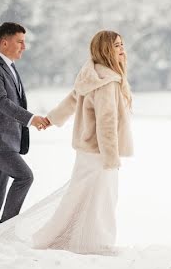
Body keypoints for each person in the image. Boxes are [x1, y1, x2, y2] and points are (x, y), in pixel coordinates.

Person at [30, 30, 134, 254]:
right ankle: (98, 242)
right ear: (106, 50)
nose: (122, 49)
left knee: (79, 197)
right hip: (100, 153)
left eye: (122, 44)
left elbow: (72, 100)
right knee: (103, 199)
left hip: (87, 151)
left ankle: (67, 238)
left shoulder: (90, 76)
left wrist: (51, 119)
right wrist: (111, 158)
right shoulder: (108, 82)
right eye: (116, 46)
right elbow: (106, 122)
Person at [0, 22, 50, 232]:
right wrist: (31, 118)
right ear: (5, 42)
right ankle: (5, 231)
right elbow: (1, 102)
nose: (23, 47)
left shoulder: (10, 68)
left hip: (6, 141)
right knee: (25, 176)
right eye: (20, 42)